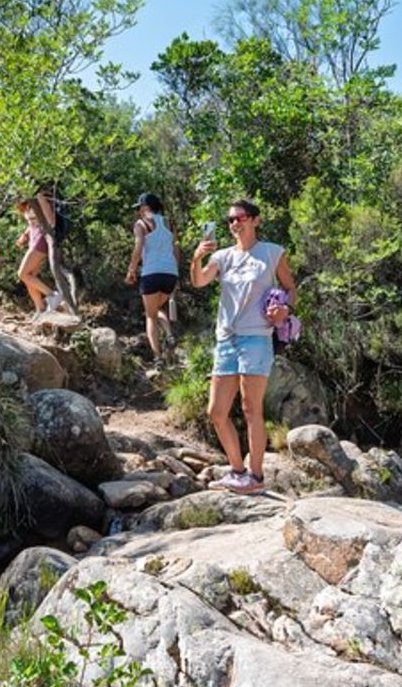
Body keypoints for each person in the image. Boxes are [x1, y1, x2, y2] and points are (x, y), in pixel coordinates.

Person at [190, 199, 296, 494]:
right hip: (226, 338)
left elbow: (290, 288)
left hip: (256, 338)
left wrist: (285, 309)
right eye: (230, 220)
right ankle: (237, 471)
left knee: (251, 409)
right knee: (216, 411)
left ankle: (256, 477)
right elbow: (199, 282)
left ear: (256, 220)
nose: (235, 223)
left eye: (241, 217)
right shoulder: (222, 256)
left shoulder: (272, 253)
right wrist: (196, 258)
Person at [125, 193, 179, 370]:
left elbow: (139, 245)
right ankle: (169, 335)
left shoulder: (141, 224)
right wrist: (176, 272)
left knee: (150, 316)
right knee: (156, 309)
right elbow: (176, 249)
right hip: (170, 273)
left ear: (146, 208)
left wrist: (131, 269)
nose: (139, 212)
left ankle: (158, 358)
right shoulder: (169, 223)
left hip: (151, 273)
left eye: (140, 208)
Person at [15, 198, 62, 315]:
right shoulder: (28, 203)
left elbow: (51, 221)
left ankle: (53, 295)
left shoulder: (40, 199)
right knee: (30, 276)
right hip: (33, 240)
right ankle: (40, 309)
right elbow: (32, 223)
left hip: (41, 240)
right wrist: (24, 235)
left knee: (22, 274)